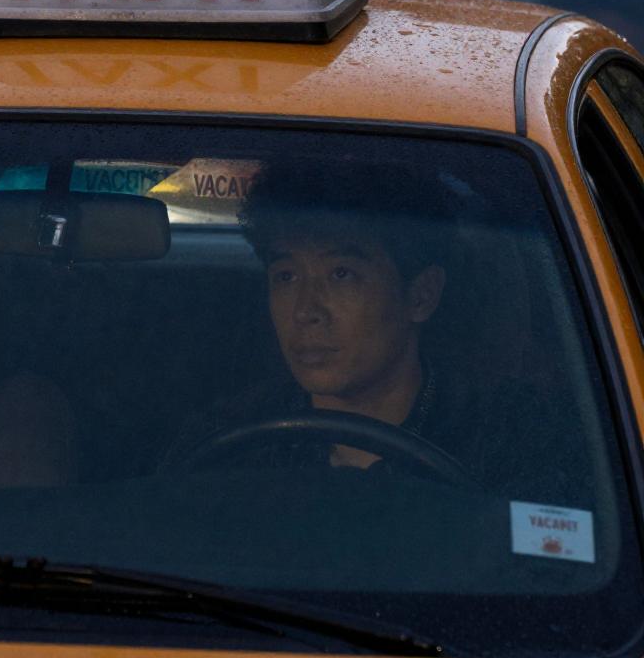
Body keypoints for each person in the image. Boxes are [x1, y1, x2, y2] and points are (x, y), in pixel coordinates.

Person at [163, 163, 589, 504]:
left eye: (341, 274)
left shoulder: (512, 441)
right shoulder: (230, 445)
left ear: (421, 296)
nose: (306, 311)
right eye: (287, 276)